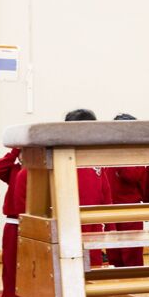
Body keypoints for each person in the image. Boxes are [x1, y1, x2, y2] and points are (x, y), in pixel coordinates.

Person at [64, 109, 112, 267]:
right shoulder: (63, 157)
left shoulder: (95, 157)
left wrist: (110, 224)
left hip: (93, 221)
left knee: (94, 263)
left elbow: (105, 191)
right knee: (72, 263)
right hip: (71, 221)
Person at [103, 113, 147, 267]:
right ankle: (123, 279)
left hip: (124, 207)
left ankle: (130, 279)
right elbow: (131, 175)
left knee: (128, 252)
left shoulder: (116, 150)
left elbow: (132, 176)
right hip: (121, 207)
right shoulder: (117, 151)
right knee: (119, 251)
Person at [0, 147, 25, 297]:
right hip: (14, 223)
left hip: (36, 223)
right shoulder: (13, 170)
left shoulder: (43, 171)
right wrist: (15, 151)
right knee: (11, 263)